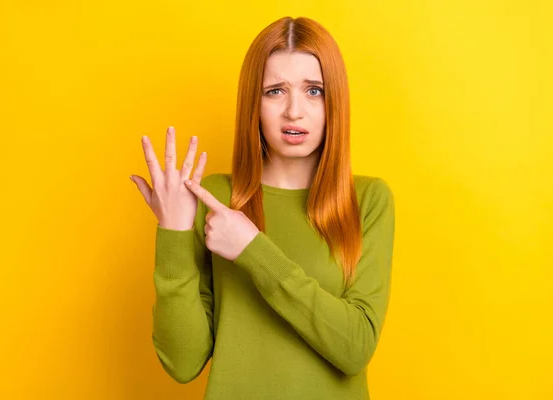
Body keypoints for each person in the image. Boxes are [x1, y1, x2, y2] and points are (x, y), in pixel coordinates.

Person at [131, 16, 396, 400]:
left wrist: (253, 249)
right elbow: (182, 362)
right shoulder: (213, 199)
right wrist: (172, 232)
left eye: (314, 91)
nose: (294, 111)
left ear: (335, 99)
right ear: (252, 102)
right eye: (274, 91)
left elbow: (355, 347)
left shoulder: (368, 201)